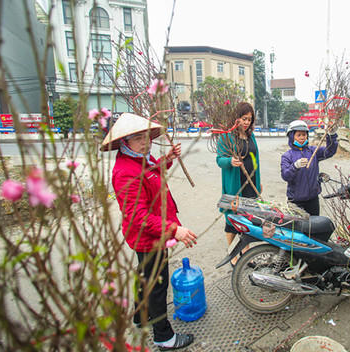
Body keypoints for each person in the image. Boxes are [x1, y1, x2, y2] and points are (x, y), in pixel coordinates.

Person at [101, 113, 196, 351]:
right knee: (157, 286)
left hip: (153, 235)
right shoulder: (125, 171)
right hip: (149, 238)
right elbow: (138, 218)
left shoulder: (140, 159)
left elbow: (152, 172)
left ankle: (139, 317)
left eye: (146, 136)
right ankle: (164, 337)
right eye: (136, 138)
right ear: (124, 142)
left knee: (145, 278)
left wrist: (168, 158)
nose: (145, 142)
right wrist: (175, 230)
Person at [215, 102, 261, 267]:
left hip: (250, 184)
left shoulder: (251, 136)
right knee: (232, 220)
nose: (247, 122)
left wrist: (258, 181)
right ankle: (232, 253)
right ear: (236, 119)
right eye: (244, 118)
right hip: (235, 185)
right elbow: (219, 160)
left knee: (247, 219)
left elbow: (255, 159)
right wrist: (230, 161)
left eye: (249, 119)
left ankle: (246, 251)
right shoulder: (226, 137)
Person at [280, 120, 338, 216]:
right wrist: (295, 166)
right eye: (298, 135)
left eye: (304, 134)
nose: (302, 137)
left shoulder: (313, 151)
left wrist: (331, 135)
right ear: (291, 136)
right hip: (296, 200)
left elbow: (330, 151)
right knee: (298, 228)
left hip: (313, 199)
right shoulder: (287, 156)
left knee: (314, 227)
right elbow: (285, 176)